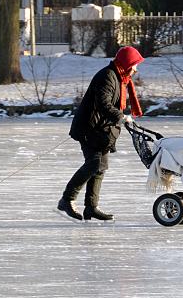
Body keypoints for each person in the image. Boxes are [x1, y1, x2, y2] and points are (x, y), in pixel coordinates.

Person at [58, 46, 144, 221]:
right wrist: (120, 116)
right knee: (94, 164)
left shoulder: (120, 78)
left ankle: (91, 207)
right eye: (134, 64)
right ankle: (67, 199)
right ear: (127, 64)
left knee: (100, 167)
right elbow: (103, 103)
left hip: (101, 131)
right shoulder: (107, 77)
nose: (136, 69)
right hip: (89, 129)